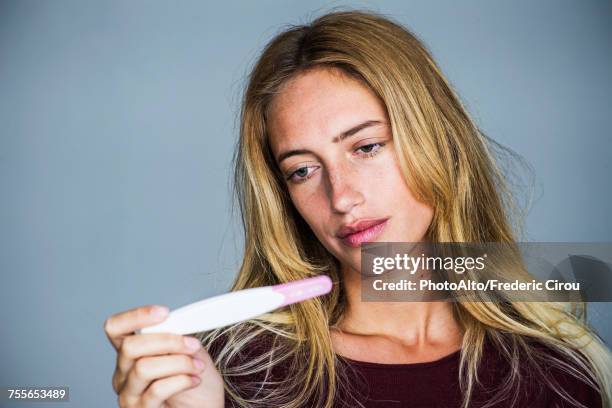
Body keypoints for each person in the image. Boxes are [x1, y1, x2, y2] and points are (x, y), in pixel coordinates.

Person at [103, 10, 612, 408]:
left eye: (366, 147)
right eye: (303, 170)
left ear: (440, 142)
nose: (341, 198)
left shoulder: (563, 371)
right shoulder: (234, 374)